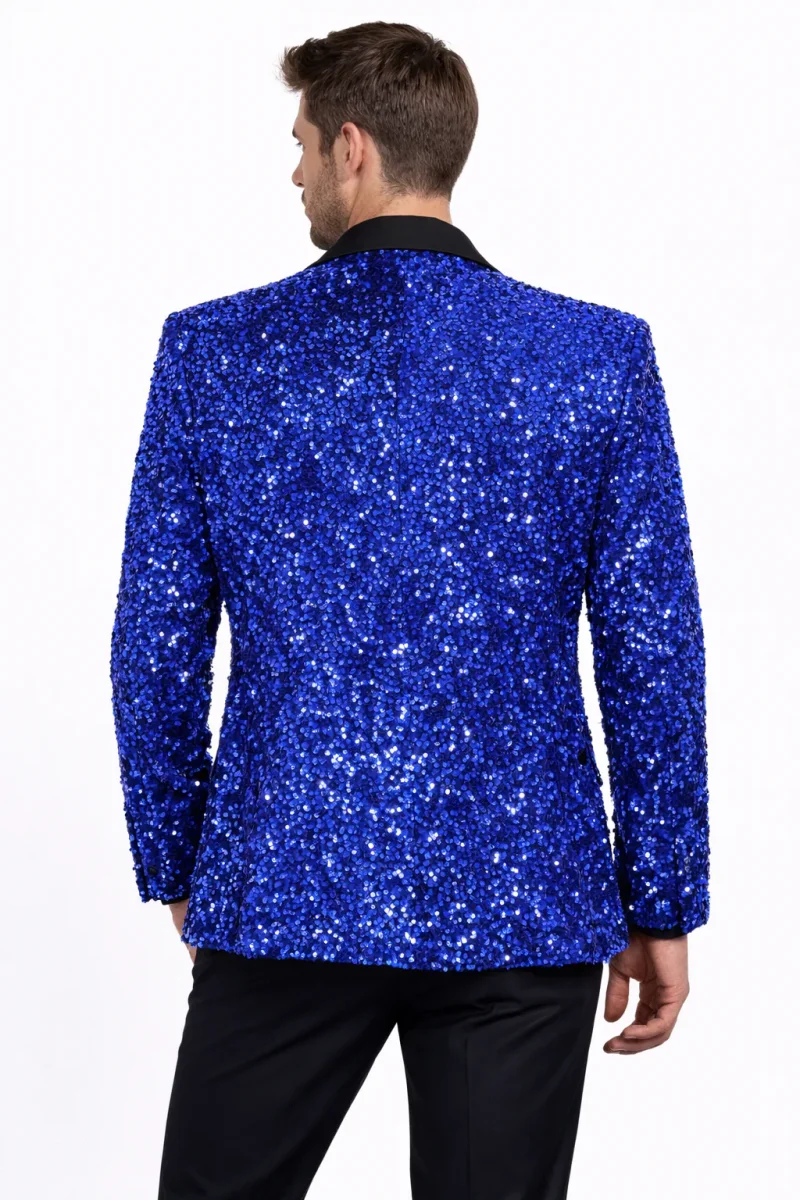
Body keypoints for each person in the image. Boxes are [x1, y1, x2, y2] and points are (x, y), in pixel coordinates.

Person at [109, 20, 710, 1200]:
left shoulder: (214, 354)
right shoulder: (593, 357)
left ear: (352, 148)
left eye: (299, 145)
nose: (292, 172)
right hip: (526, 901)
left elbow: (155, 643)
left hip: (280, 887)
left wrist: (178, 854)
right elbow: (652, 654)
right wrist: (661, 897)